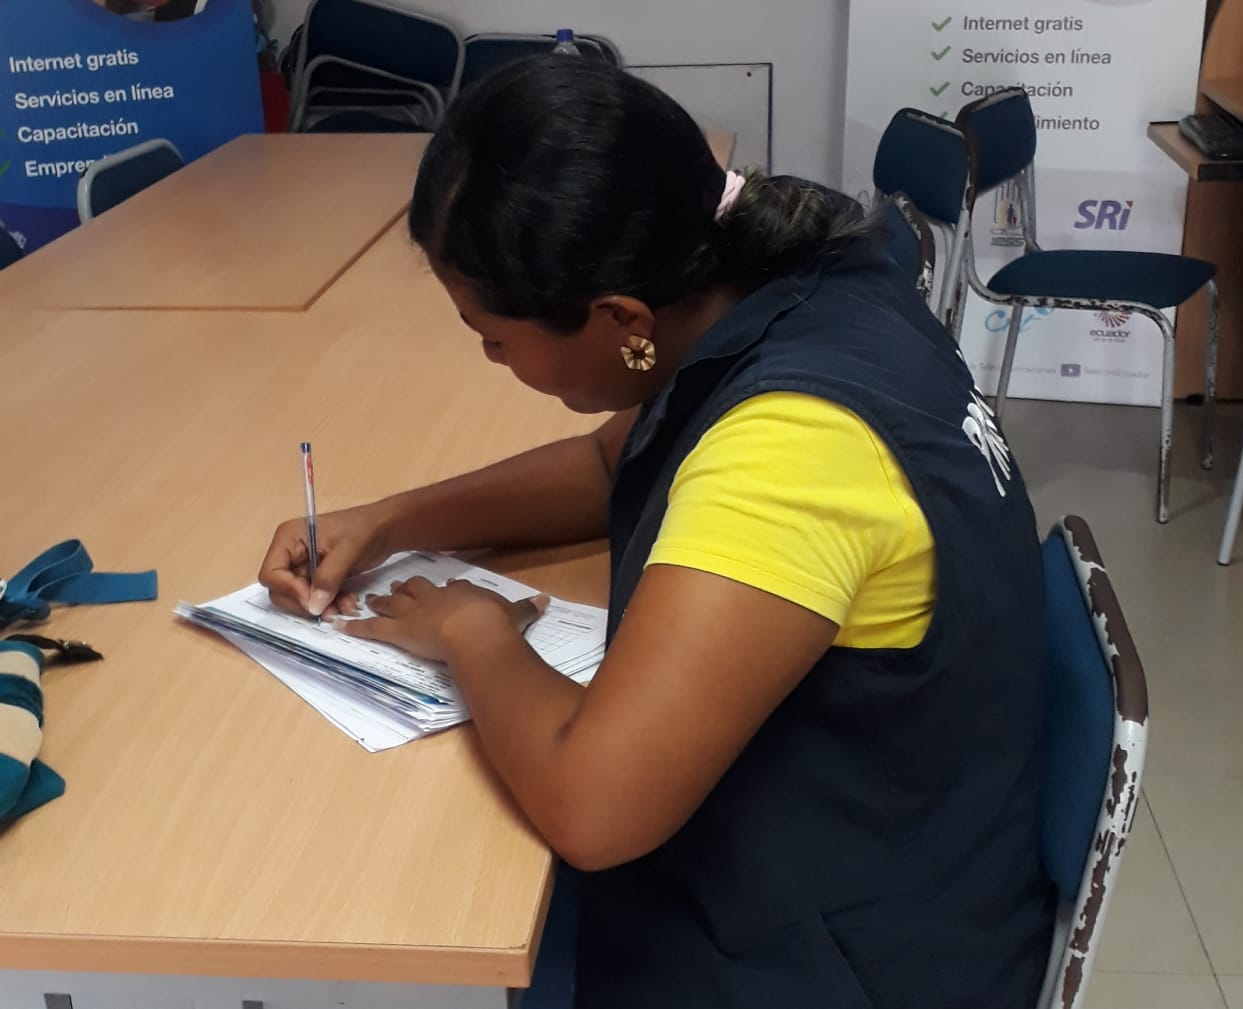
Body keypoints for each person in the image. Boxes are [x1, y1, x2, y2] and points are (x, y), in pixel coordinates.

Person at [260, 57, 1055, 1009]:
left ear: (620, 319)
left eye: (495, 338)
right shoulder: (793, 273)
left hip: (856, 953)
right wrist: (390, 518)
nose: (491, 358)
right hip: (883, 831)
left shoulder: (791, 448)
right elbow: (611, 465)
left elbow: (596, 808)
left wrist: (475, 631)